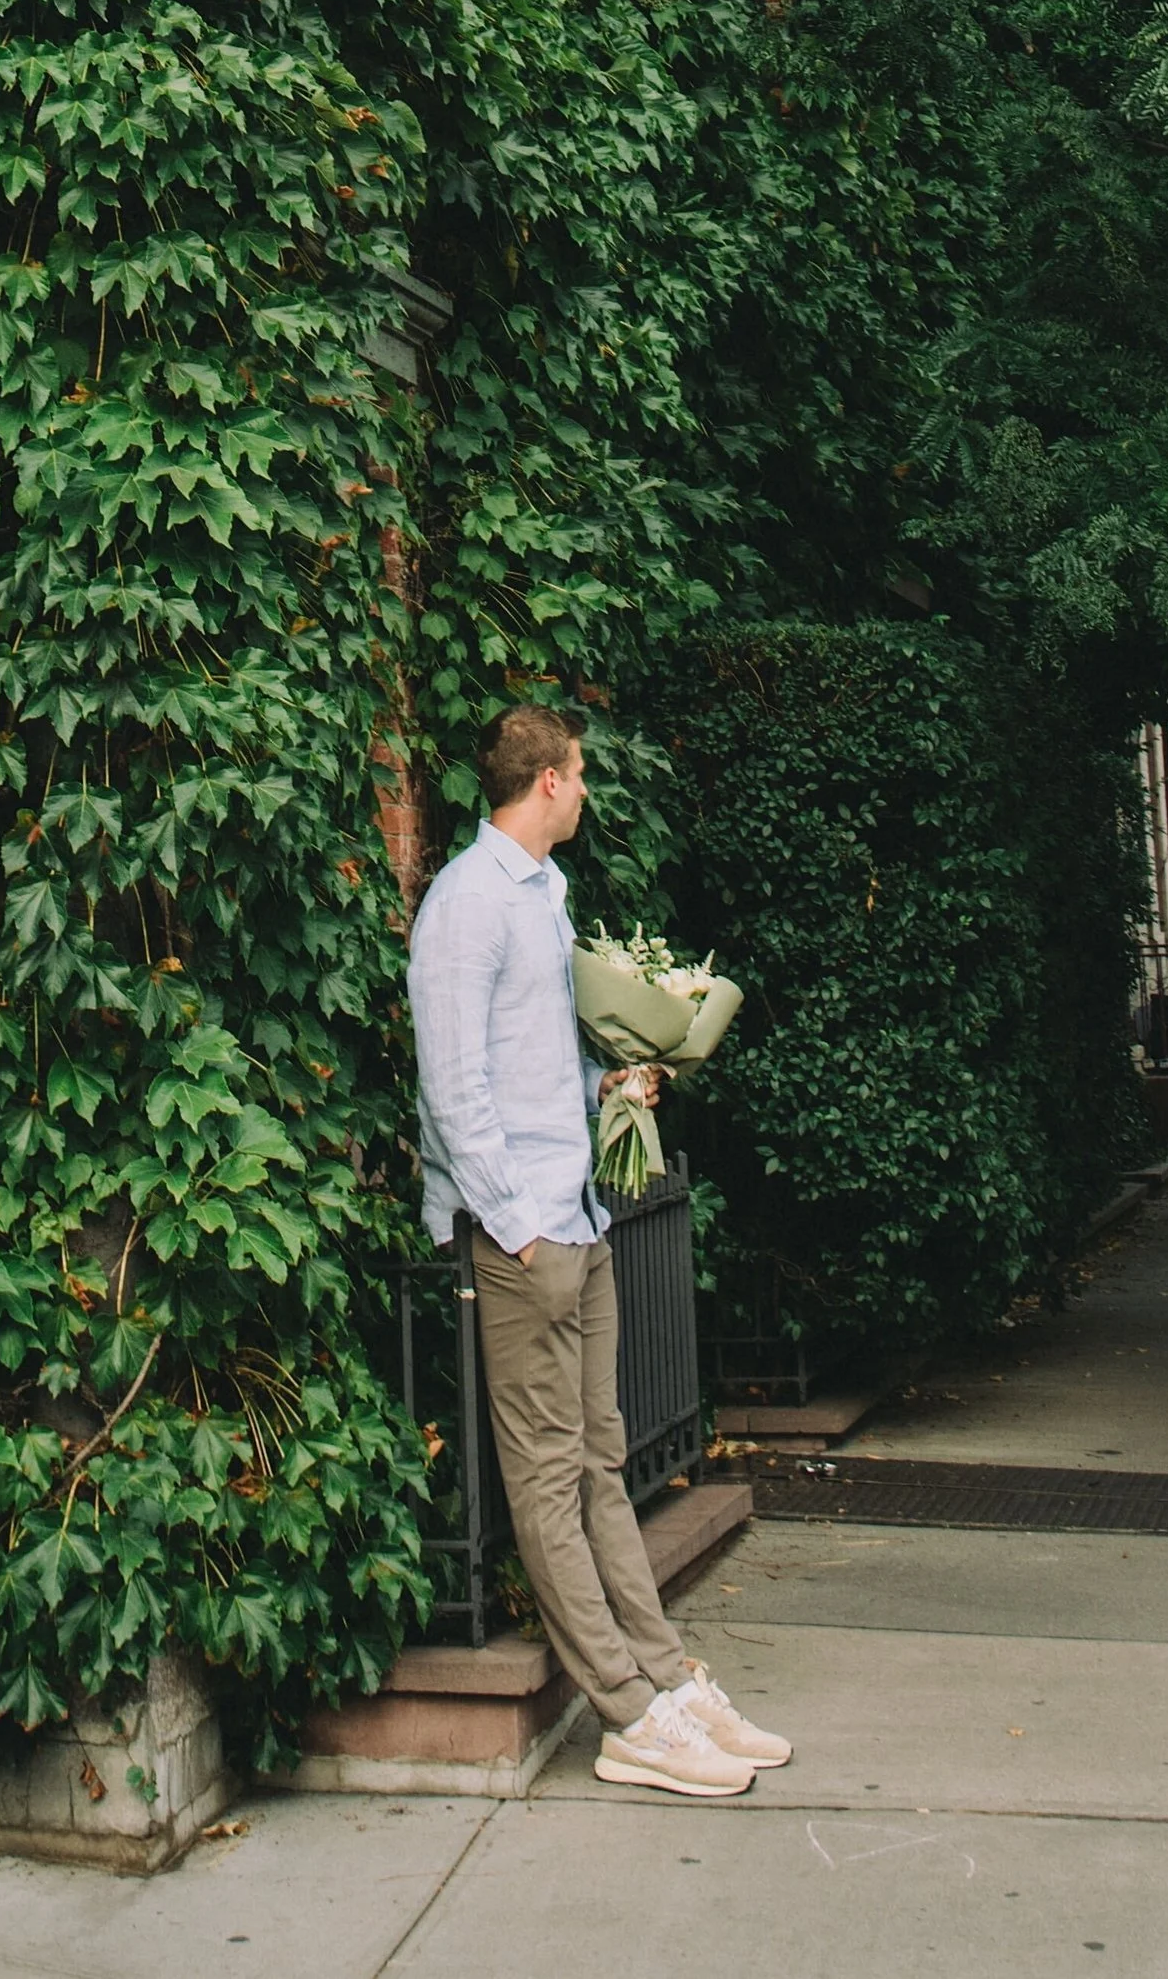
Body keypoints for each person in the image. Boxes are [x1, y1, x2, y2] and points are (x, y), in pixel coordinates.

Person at [407, 700, 792, 1800]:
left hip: (575, 1213)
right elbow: (452, 1083)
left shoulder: (542, 894)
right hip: (524, 1229)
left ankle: (666, 1680)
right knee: (545, 1481)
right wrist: (511, 1219)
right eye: (579, 773)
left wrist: (604, 1084)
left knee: (600, 1463)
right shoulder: (465, 904)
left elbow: (525, 1061)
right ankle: (627, 1714)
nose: (586, 788)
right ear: (548, 783)